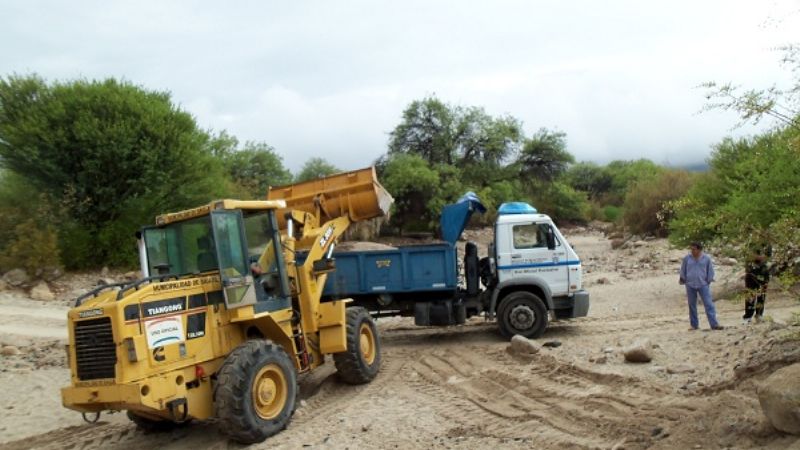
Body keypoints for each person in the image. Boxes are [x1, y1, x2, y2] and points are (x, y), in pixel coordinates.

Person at [679, 242, 723, 331]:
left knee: (708, 304)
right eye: (691, 249)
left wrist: (708, 280)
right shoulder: (687, 258)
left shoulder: (706, 258)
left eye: (694, 249)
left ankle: (714, 324)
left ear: (699, 249)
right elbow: (683, 269)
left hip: (703, 284)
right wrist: (683, 278)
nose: (692, 251)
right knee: (692, 305)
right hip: (690, 284)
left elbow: (710, 270)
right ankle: (694, 325)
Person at [743, 247, 770, 324]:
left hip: (763, 273)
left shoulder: (767, 244)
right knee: (750, 295)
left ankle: (759, 315)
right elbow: (748, 255)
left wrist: (758, 257)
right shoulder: (751, 242)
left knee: (761, 296)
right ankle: (748, 317)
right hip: (751, 273)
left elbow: (767, 257)